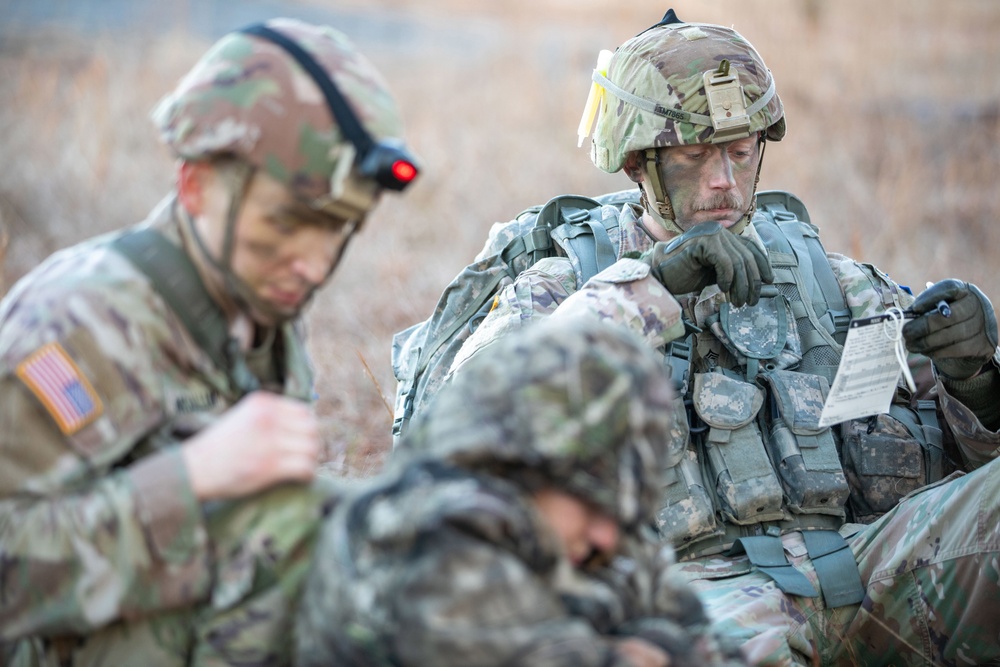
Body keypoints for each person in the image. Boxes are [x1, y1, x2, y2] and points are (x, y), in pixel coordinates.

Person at [392, 10, 1000, 666]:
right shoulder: (569, 282)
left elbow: (955, 445)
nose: (724, 182)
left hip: (867, 567)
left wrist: (976, 383)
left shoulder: (823, 275)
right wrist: (647, 288)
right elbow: (464, 425)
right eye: (693, 156)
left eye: (741, 152)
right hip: (690, 601)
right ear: (637, 162)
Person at [0, 18, 418, 666]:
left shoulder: (256, 306)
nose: (311, 262)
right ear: (194, 185)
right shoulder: (75, 326)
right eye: (288, 223)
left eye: (339, 229)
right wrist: (190, 481)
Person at [296, 314, 747, 667]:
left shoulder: (584, 537)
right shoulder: (431, 534)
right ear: (519, 465)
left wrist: (659, 645)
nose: (608, 537)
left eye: (622, 513)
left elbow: (710, 642)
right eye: (593, 503)